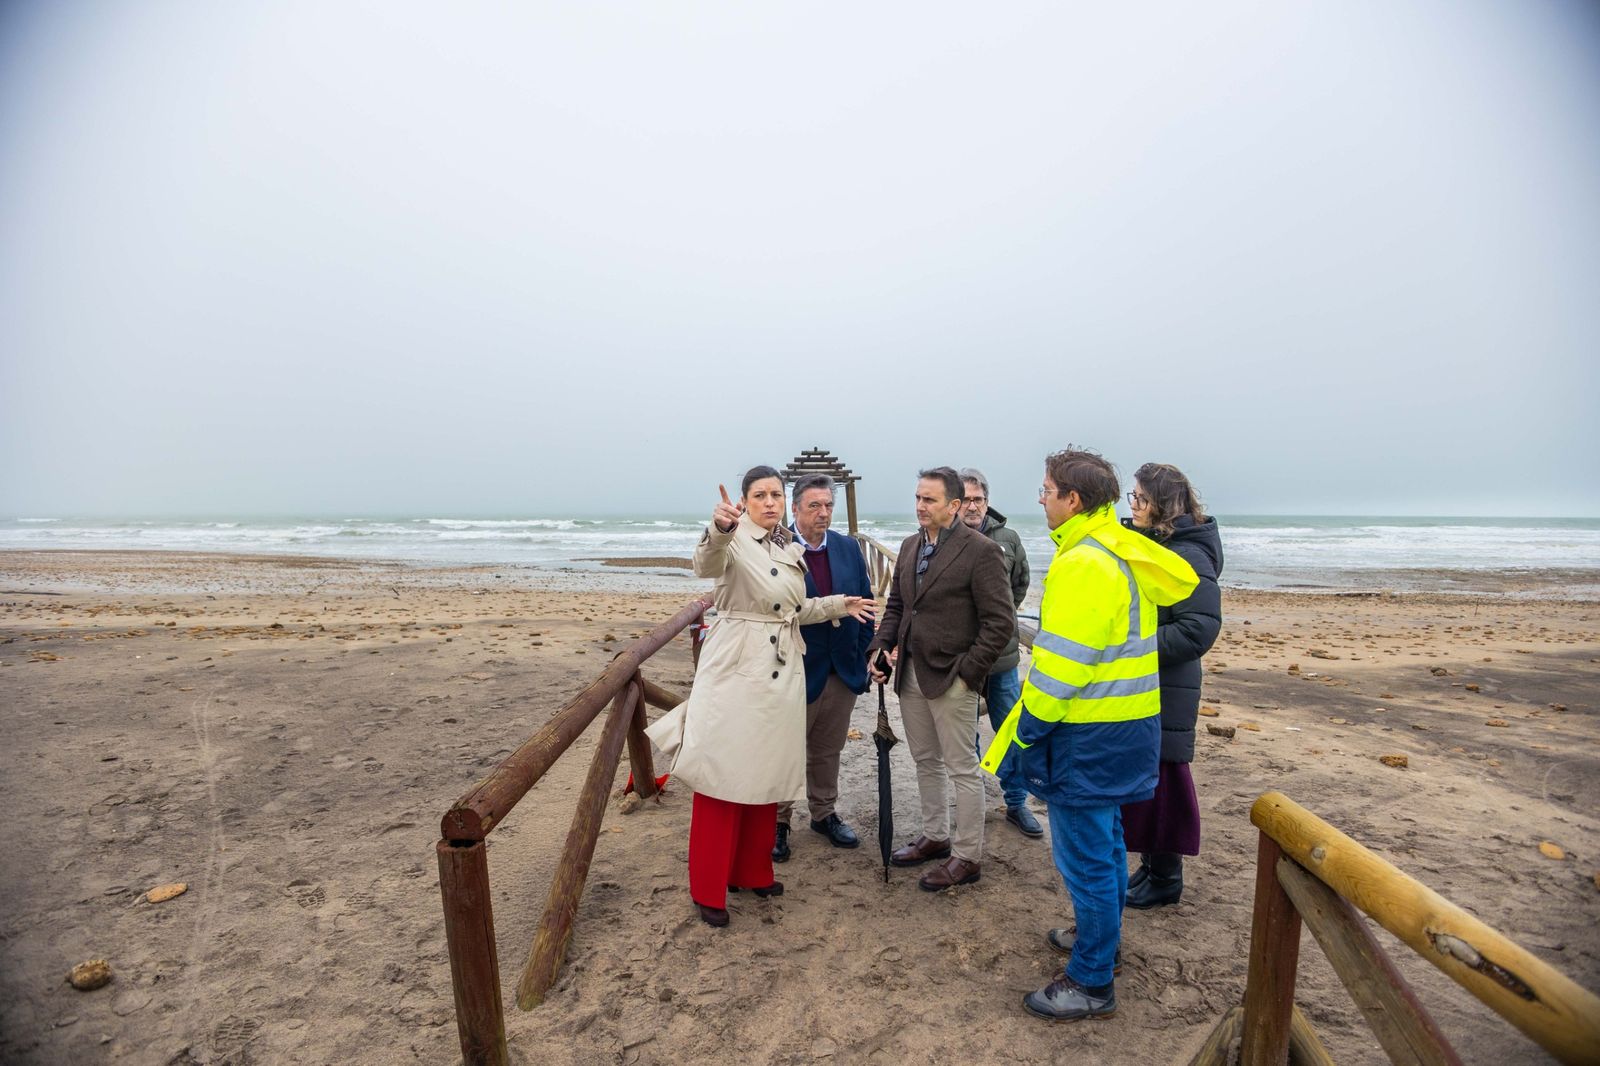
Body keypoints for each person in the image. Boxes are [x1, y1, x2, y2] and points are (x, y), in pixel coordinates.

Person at [983, 449, 1197, 1021]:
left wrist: (1024, 731)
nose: (1040, 497)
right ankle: (1101, 941)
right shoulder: (1118, 549)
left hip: (1087, 734)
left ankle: (1091, 980)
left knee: (1086, 856)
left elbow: (1062, 668)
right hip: (1124, 728)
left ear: (1072, 499)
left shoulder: (1083, 563)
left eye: (1047, 488)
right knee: (1102, 845)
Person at [645, 467, 875, 927]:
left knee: (763, 776)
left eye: (775, 494)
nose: (768, 502)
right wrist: (720, 528)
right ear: (745, 501)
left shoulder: (780, 542)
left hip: (780, 670)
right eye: (759, 495)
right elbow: (704, 564)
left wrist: (837, 604)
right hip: (739, 672)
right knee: (723, 778)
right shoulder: (734, 540)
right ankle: (708, 886)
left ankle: (751, 871)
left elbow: (791, 609)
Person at [867, 466, 1014, 891]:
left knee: (962, 768)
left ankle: (967, 856)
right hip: (910, 671)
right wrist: (880, 647)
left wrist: (969, 674)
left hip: (953, 676)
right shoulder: (911, 545)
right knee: (925, 760)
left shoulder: (981, 551)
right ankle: (935, 836)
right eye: (917, 498)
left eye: (929, 500)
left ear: (953, 505)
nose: (919, 506)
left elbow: (999, 623)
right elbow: (897, 607)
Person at [1119, 463, 1223, 908]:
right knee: (1151, 783)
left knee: (1165, 785)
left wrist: (1132, 646)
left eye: (1140, 499)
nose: (1134, 507)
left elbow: (1198, 630)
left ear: (1162, 504)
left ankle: (1165, 878)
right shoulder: (1162, 545)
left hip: (1169, 687)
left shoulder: (1188, 554)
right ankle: (1153, 869)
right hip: (1153, 684)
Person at [772, 472, 876, 862]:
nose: (823, 513)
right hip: (796, 667)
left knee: (827, 749)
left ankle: (824, 813)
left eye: (829, 505)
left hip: (842, 668)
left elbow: (865, 602)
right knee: (787, 750)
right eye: (814, 505)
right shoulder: (775, 548)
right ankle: (779, 822)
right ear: (794, 508)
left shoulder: (849, 547)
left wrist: (864, 651)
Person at [957, 467, 1039, 839]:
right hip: (961, 658)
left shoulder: (1007, 538)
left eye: (979, 499)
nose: (973, 507)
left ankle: (1017, 803)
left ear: (986, 502)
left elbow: (1020, 583)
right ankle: (971, 804)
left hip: (1003, 658)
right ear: (955, 503)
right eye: (967, 500)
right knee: (964, 734)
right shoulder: (943, 539)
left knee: (1012, 731)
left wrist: (1000, 619)